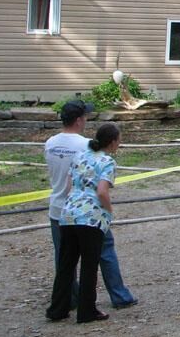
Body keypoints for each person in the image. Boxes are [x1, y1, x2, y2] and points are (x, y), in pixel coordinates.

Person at [44, 100, 137, 310]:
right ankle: (118, 295)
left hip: (60, 208)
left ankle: (68, 300)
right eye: (85, 117)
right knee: (104, 252)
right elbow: (97, 182)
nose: (86, 120)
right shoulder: (85, 146)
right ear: (79, 120)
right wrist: (108, 209)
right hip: (88, 211)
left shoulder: (50, 143)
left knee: (65, 258)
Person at [46, 123, 122, 323]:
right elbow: (102, 191)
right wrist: (109, 210)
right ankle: (87, 310)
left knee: (66, 264)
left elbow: (70, 185)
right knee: (89, 264)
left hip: (68, 213)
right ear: (113, 142)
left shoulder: (79, 157)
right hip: (90, 217)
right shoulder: (107, 162)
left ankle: (57, 308)